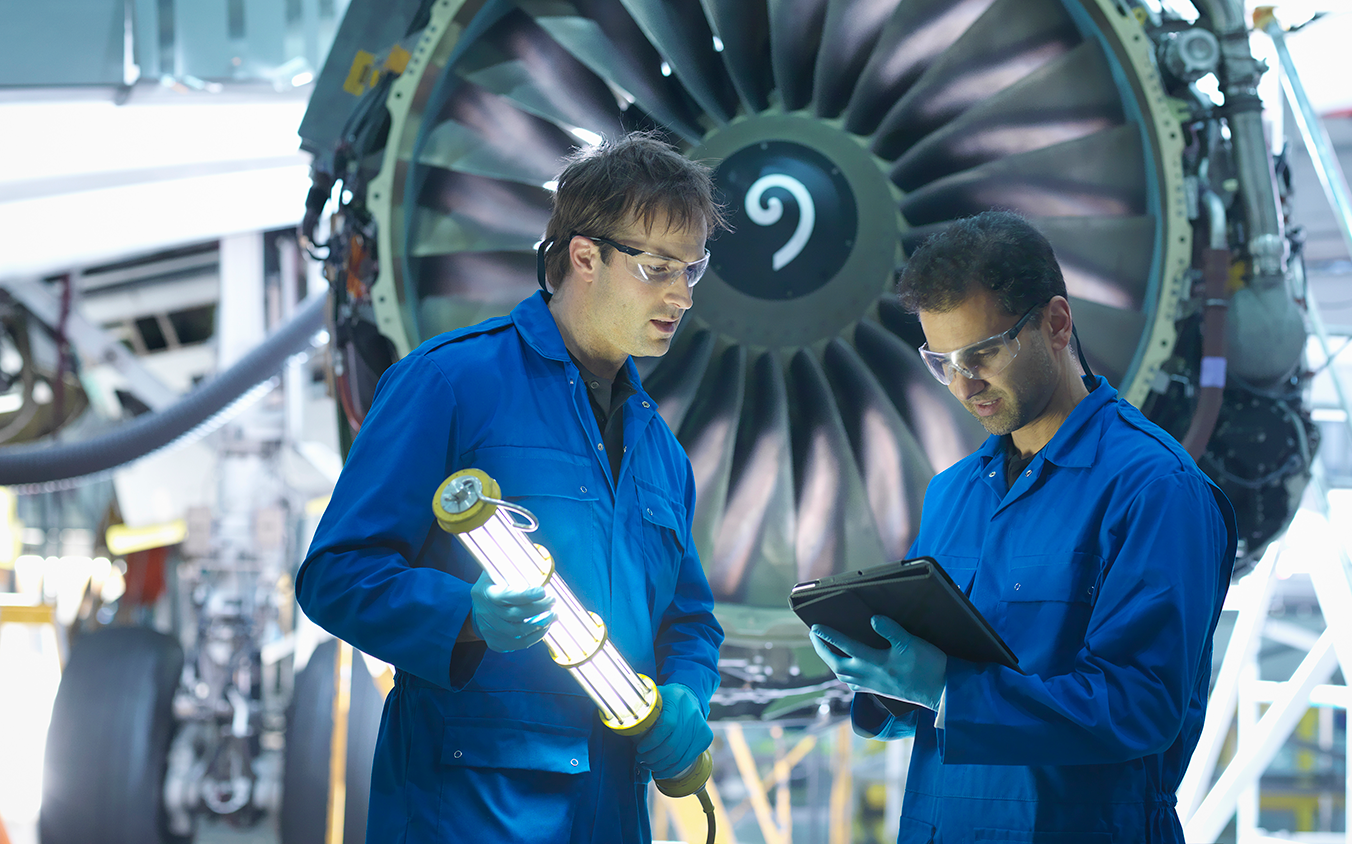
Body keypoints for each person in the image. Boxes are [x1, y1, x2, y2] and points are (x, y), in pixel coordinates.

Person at [297, 132, 725, 844]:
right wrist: (465, 615)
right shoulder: (450, 383)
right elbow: (336, 575)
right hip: (468, 812)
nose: (681, 296)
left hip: (612, 814)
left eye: (692, 271)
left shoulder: (661, 452)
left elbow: (690, 620)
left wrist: (686, 694)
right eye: (658, 269)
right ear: (585, 256)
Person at [808, 210, 1236, 842]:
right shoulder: (953, 494)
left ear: (1056, 324)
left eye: (982, 353)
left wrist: (948, 688)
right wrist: (882, 677)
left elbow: (1141, 707)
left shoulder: (1155, 489)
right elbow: (932, 689)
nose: (962, 384)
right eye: (941, 361)